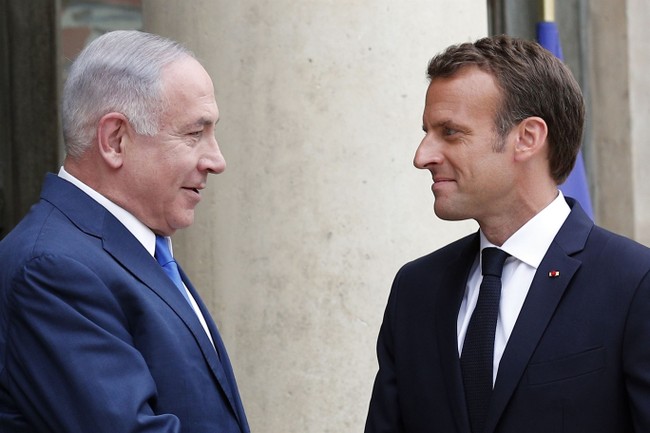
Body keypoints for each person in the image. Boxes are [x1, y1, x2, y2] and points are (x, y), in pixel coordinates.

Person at [365, 35, 650, 433]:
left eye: (450, 132)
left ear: (527, 138)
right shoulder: (415, 290)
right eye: (427, 132)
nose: (422, 156)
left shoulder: (634, 283)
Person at [0, 30, 249, 433]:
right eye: (194, 134)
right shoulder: (51, 269)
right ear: (115, 139)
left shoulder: (132, 250)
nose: (216, 161)